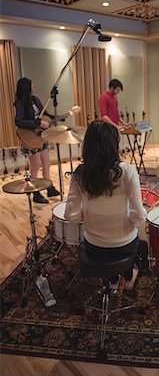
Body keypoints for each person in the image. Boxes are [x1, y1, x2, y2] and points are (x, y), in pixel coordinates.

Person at [64, 121, 146, 293]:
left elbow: (70, 216)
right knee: (142, 245)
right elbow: (139, 215)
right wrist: (128, 219)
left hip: (94, 247)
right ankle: (129, 277)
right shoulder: (128, 171)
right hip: (123, 245)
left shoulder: (79, 175)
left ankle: (112, 279)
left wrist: (89, 214)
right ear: (113, 145)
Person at [15, 77, 62, 204]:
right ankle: (36, 193)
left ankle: (49, 187)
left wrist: (58, 117)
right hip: (31, 137)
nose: (33, 88)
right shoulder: (20, 103)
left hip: (42, 136)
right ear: (26, 89)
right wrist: (36, 123)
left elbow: (45, 113)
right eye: (31, 86)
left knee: (46, 163)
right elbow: (18, 121)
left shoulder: (35, 100)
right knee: (35, 166)